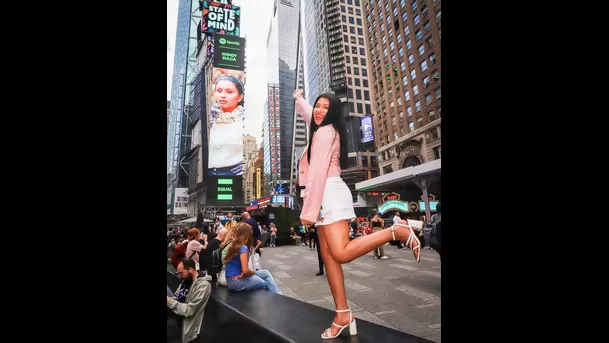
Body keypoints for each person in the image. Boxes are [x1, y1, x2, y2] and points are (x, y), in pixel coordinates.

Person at [293, 89, 421, 339]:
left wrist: (309, 209)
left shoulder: (326, 132)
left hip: (326, 192)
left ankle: (395, 231)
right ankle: (342, 314)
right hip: (323, 194)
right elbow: (312, 115)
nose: (319, 110)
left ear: (333, 113)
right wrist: (300, 100)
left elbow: (318, 172)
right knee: (329, 257)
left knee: (339, 252)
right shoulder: (322, 126)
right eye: (317, 105)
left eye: (325, 107)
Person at [223, 222, 282, 294]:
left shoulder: (233, 245)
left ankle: (279, 295)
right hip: (237, 281)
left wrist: (246, 273)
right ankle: (278, 299)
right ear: (246, 235)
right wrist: (253, 273)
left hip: (231, 279)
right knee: (266, 283)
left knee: (266, 273)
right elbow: (245, 270)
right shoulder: (243, 247)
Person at [167, 258, 213, 343]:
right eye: (178, 273)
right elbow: (176, 297)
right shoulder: (185, 282)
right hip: (177, 318)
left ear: (190, 270)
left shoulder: (203, 285)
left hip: (187, 326)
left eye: (181, 273)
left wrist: (169, 301)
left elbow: (189, 310)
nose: (179, 276)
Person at [208, 75, 245, 176]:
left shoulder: (244, 120)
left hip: (233, 173)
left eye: (229, 92)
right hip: (207, 173)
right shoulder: (209, 115)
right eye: (219, 91)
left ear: (240, 97)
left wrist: (246, 164)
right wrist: (209, 120)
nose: (222, 95)